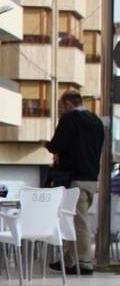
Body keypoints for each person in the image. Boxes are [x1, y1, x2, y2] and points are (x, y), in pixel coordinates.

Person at [44, 89, 104, 275]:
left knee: (78, 222)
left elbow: (57, 145)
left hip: (74, 178)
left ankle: (84, 262)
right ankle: (70, 259)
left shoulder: (69, 120)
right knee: (73, 220)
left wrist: (46, 145)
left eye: (61, 106)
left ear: (69, 104)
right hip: (91, 178)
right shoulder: (96, 121)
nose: (61, 110)